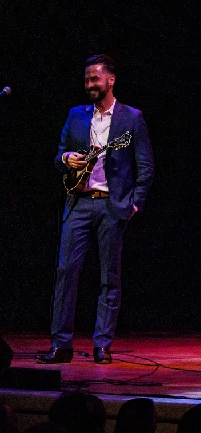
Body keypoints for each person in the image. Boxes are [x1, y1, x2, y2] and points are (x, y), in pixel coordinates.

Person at [38, 55, 155, 365]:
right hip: (78, 203)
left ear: (110, 80)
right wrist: (66, 160)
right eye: (87, 80)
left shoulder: (131, 118)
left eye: (95, 79)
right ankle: (61, 344)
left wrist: (134, 204)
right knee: (66, 273)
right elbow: (58, 155)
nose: (89, 85)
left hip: (111, 206)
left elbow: (145, 166)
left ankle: (102, 344)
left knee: (109, 278)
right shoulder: (76, 115)